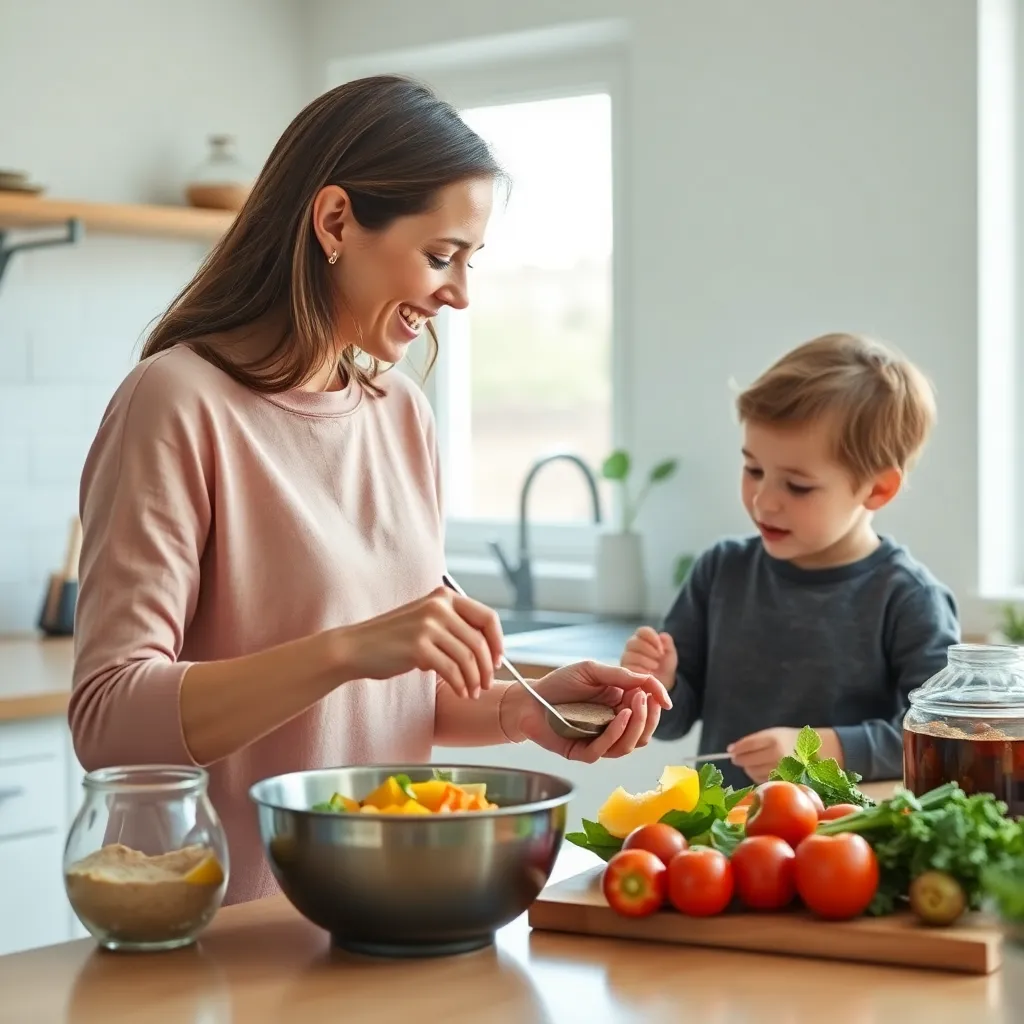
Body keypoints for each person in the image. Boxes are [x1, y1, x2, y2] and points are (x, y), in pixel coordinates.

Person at [69, 74, 670, 906]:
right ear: (336, 221)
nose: (459, 293)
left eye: (470, 261)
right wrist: (347, 647)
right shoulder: (176, 402)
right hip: (217, 932)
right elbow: (108, 722)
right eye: (440, 256)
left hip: (380, 914)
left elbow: (388, 706)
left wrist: (520, 712)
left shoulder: (400, 416)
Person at [620, 333, 960, 788]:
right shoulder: (720, 571)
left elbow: (942, 738)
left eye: (797, 486)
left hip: (842, 842)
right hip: (723, 837)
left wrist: (816, 749)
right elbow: (672, 723)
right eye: (753, 469)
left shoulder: (909, 598)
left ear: (878, 489)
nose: (763, 501)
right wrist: (658, 684)